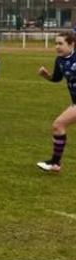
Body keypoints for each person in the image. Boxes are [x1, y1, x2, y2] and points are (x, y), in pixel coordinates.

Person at [37, 31, 76, 173]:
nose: (57, 47)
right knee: (58, 125)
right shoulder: (59, 60)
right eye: (56, 43)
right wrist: (46, 75)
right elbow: (57, 79)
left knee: (58, 124)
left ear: (72, 44)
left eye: (61, 43)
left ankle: (55, 163)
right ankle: (55, 163)